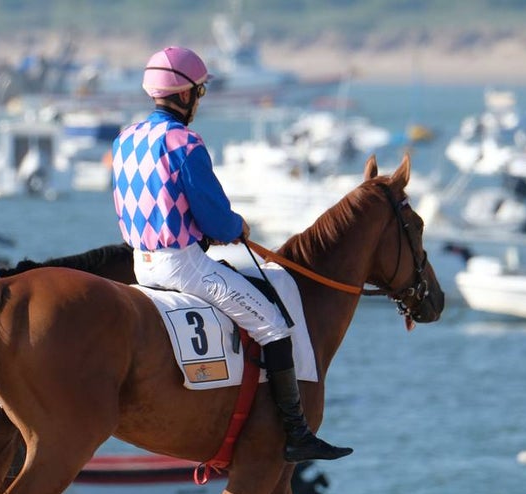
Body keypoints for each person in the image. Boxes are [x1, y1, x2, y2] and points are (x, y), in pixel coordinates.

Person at [111, 46, 350, 463]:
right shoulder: (184, 142)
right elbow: (215, 215)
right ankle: (295, 431)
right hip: (183, 267)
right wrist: (233, 226)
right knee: (275, 326)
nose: (199, 101)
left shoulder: (125, 138)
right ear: (184, 95)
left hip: (140, 266)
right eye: (199, 92)